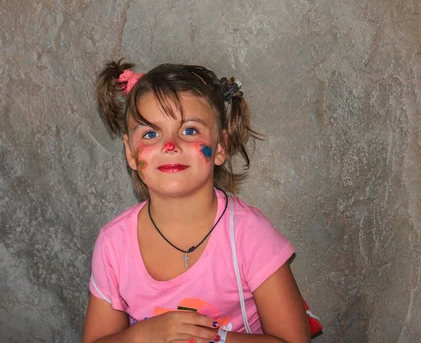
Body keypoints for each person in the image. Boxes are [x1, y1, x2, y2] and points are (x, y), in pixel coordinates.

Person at [83, 60, 311, 343]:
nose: (170, 145)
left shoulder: (249, 236)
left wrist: (211, 340)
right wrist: (144, 335)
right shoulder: (113, 245)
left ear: (220, 147)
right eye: (150, 133)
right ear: (131, 153)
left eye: (189, 130)